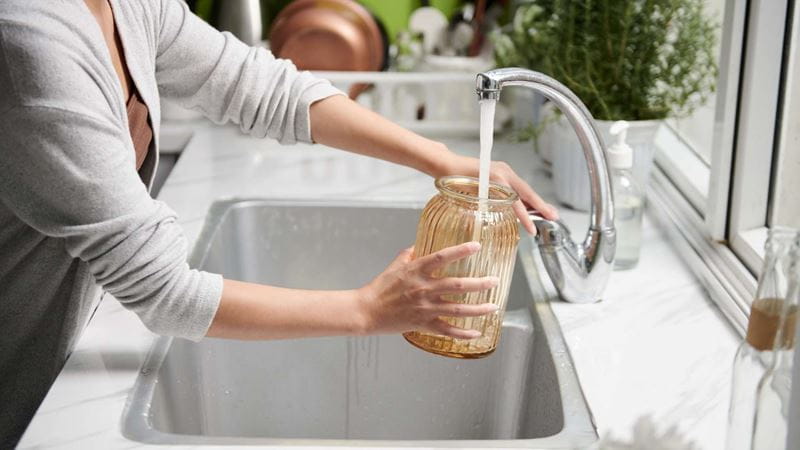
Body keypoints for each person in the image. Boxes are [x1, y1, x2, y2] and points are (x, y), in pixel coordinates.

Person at [0, 0, 559, 445]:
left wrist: (440, 159)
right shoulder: (31, 45)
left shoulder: (124, 5)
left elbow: (260, 87)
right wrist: (368, 310)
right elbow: (164, 292)